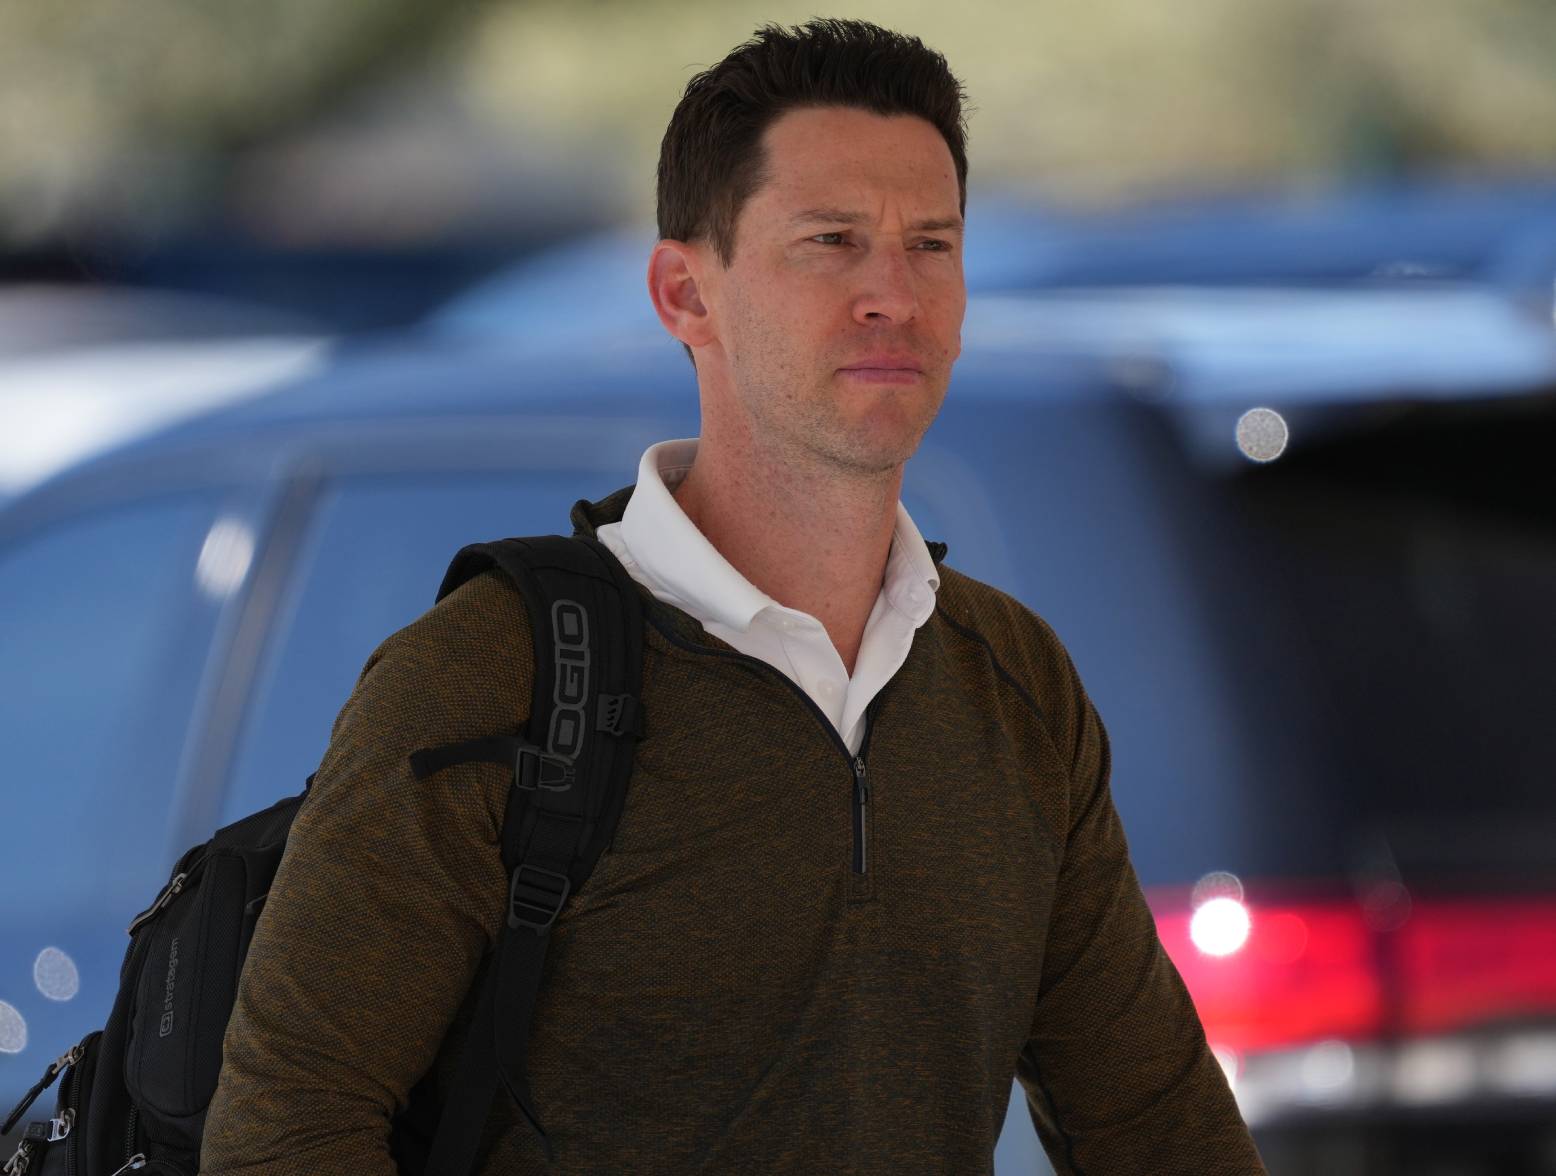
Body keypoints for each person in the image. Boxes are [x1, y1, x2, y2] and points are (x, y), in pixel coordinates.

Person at [202, 18, 1267, 1175]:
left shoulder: (1012, 684)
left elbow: (1156, 1129)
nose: (892, 296)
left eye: (930, 244)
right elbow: (285, 1130)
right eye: (830, 241)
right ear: (683, 294)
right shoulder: (489, 677)